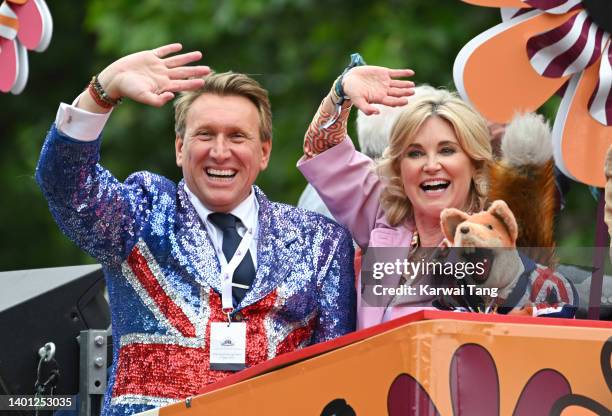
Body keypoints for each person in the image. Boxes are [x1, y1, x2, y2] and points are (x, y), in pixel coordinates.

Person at [36, 44, 356, 416]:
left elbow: (338, 374)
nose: (220, 152)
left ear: (264, 152)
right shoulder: (142, 213)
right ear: (179, 147)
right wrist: (102, 92)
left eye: (237, 136)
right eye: (205, 134)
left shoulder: (321, 241)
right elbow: (65, 185)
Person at [298, 63, 578, 329]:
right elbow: (321, 149)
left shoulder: (491, 237)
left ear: (474, 163)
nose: (431, 165)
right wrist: (342, 91)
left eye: (447, 150)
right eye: (415, 153)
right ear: (399, 167)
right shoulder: (382, 211)